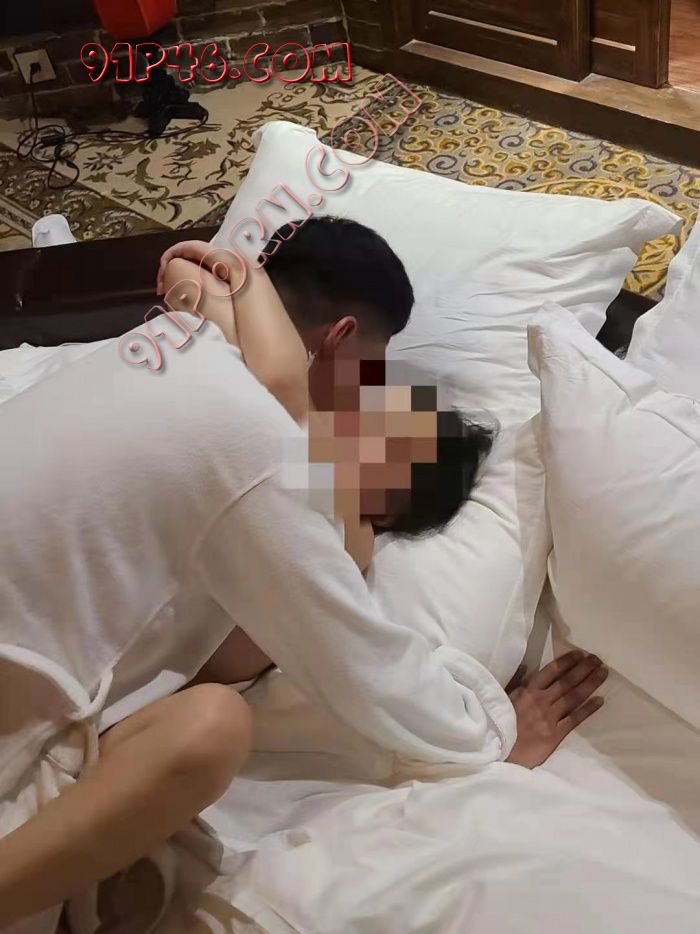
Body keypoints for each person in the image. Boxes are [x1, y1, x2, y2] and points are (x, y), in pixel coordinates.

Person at [0, 217, 608, 928]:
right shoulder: (264, 445)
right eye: (370, 389)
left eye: (375, 451)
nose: (354, 416)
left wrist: (232, 289)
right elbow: (367, 666)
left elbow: (354, 642)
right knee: (209, 730)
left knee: (208, 727)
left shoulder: (171, 345)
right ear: (339, 338)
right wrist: (494, 741)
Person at [157, 219, 495, 573]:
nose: (361, 411)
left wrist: (247, 275)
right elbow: (181, 273)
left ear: (383, 511)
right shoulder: (297, 406)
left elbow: (278, 383)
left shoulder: (352, 535)